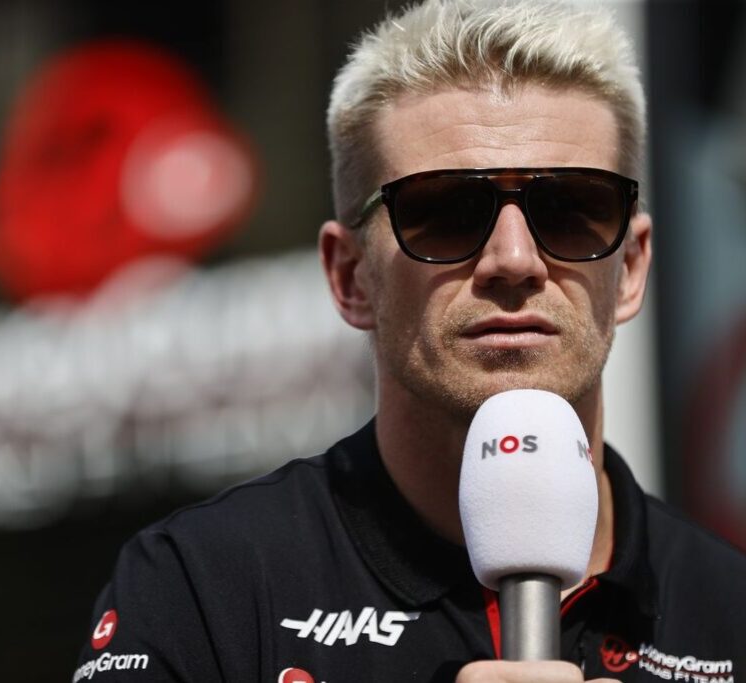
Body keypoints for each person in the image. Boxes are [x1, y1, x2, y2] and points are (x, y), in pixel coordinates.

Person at [73, 2, 746, 681]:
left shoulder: (731, 608)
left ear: (629, 269)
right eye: (445, 213)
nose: (513, 258)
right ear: (350, 275)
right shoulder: (201, 586)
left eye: (571, 210)